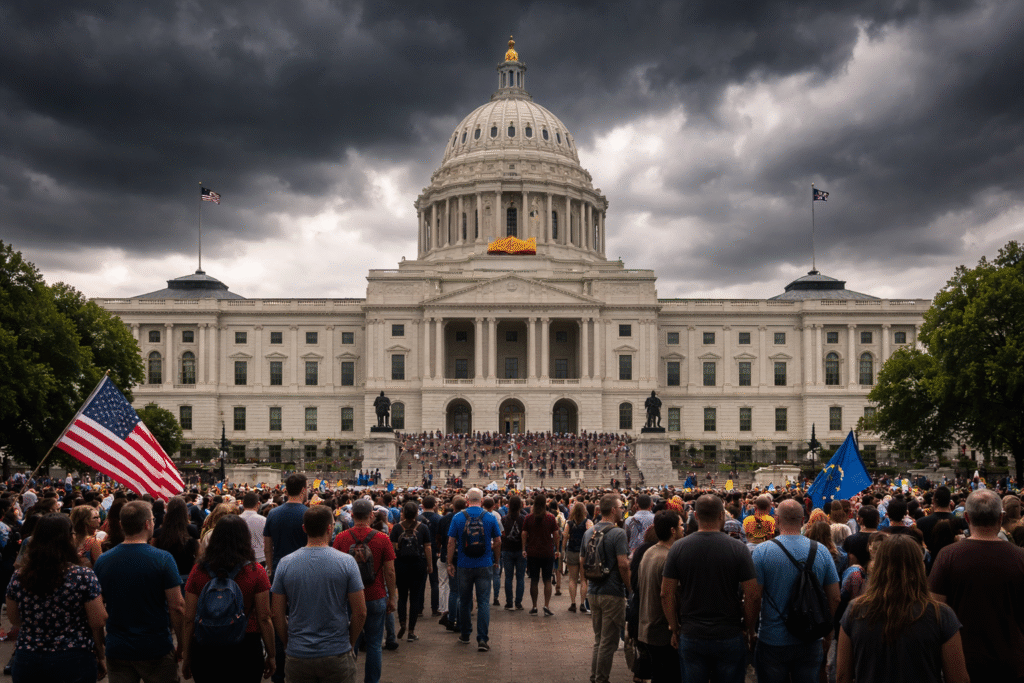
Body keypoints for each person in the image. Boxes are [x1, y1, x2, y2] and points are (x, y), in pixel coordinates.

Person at [838, 534, 968, 683]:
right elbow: (959, 678)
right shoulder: (941, 615)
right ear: (919, 567)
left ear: (877, 567)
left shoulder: (854, 611)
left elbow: (842, 676)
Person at [929, 488, 1024, 681]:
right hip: (1012, 662)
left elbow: (935, 609)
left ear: (966, 517)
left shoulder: (948, 556)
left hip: (960, 662)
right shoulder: (1020, 558)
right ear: (1000, 517)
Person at [662, 495, 757, 683]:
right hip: (729, 632)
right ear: (722, 515)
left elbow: (666, 593)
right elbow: (753, 595)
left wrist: (674, 627)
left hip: (692, 633)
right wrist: (748, 627)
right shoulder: (738, 548)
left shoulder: (678, 548)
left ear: (695, 515)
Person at [5, 513, 108, 682]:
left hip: (29, 658)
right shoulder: (82, 575)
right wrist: (99, 652)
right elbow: (98, 619)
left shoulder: (19, 576)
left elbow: (14, 618)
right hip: (74, 658)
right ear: (68, 538)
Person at [93, 500, 186, 683]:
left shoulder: (103, 561)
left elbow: (96, 610)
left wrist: (100, 646)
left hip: (118, 648)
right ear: (147, 524)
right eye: (152, 519)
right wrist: (182, 644)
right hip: (156, 647)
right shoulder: (163, 559)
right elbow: (177, 606)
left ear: (121, 525)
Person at [272, 504, 366, 683]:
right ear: (330, 528)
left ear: (304, 529)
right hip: (337, 653)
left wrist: (288, 644)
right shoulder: (347, 562)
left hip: (298, 654)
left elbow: (276, 613)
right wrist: (350, 643)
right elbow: (360, 612)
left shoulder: (285, 563)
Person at [750, 499, 840, 683]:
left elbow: (754, 597)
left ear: (776, 519)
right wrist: (827, 634)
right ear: (803, 520)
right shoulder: (822, 551)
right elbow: (835, 598)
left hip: (772, 638)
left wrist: (751, 630)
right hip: (810, 637)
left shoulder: (762, 551)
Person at [181, 515, 275, 683]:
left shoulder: (198, 570)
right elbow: (264, 617)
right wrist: (272, 654)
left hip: (205, 646)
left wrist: (187, 655)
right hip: (245, 645)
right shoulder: (256, 571)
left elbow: (188, 618)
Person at [333, 498, 397, 683]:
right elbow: (390, 571)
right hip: (375, 594)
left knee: (348, 643)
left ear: (352, 516)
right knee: (375, 645)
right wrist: (391, 597)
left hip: (348, 598)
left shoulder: (341, 537)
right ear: (371, 515)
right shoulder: (382, 538)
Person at [263, 474, 308, 683]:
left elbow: (267, 546)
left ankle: (280, 673)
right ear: (303, 490)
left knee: (278, 618)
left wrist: (271, 568)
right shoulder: (309, 514)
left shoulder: (273, 514)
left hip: (279, 571)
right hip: (304, 572)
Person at [580, 493, 630, 683]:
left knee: (599, 639)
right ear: (613, 510)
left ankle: (595, 676)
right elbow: (623, 564)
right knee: (609, 642)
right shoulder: (618, 533)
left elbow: (583, 561)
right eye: (621, 508)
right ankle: (601, 679)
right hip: (612, 591)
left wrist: (587, 583)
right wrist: (630, 587)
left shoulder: (588, 532)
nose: (623, 511)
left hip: (594, 590)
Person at [447, 487, 502, 651]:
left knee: (464, 601)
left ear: (466, 500)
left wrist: (450, 563)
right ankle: (483, 639)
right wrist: (495, 559)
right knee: (484, 601)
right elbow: (498, 541)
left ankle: (465, 634)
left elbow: (451, 542)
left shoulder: (458, 517)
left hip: (464, 564)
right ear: (482, 500)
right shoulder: (490, 517)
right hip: (484, 563)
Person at [633, 511, 682, 683]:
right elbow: (667, 595)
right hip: (662, 629)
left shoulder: (649, 552)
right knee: (668, 675)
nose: (683, 528)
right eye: (681, 525)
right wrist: (674, 627)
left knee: (657, 674)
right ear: (673, 530)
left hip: (647, 625)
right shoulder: (668, 557)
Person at [389, 500, 431, 642]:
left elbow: (393, 549)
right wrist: (429, 565)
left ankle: (402, 623)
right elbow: (428, 548)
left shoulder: (396, 528)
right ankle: (411, 631)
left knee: (402, 596)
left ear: (403, 513)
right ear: (417, 513)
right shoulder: (423, 527)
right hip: (418, 564)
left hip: (401, 564)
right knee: (415, 598)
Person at [521, 493, 560, 616]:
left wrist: (524, 548)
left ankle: (534, 606)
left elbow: (523, 533)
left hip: (532, 552)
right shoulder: (550, 518)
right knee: (547, 579)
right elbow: (557, 534)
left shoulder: (528, 517)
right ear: (545, 504)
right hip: (547, 552)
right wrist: (557, 549)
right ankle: (546, 605)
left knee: (534, 579)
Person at [152, 496, 200, 590]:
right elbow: (199, 554)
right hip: (186, 574)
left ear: (167, 511)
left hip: (164, 575)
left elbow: (153, 555)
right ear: (185, 511)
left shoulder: (158, 532)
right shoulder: (192, 530)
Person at [562, 501, 593, 613]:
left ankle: (573, 603)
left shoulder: (569, 523)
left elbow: (565, 537)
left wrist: (562, 550)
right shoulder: (588, 522)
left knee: (572, 579)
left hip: (572, 552)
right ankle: (582, 603)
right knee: (584, 580)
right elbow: (592, 536)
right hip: (584, 553)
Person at [500, 494, 528, 611]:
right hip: (521, 550)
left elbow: (501, 535)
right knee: (520, 578)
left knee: (508, 577)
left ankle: (509, 602)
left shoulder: (504, 519)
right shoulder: (524, 518)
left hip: (507, 549)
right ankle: (518, 602)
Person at [239, 492, 267, 567]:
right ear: (258, 504)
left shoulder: (236, 519)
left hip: (241, 559)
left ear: (243, 503)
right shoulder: (264, 520)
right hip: (260, 558)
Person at [625, 493, 655, 558]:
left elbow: (626, 538)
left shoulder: (628, 520)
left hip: (633, 555)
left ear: (636, 504)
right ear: (651, 504)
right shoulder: (656, 519)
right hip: (651, 555)